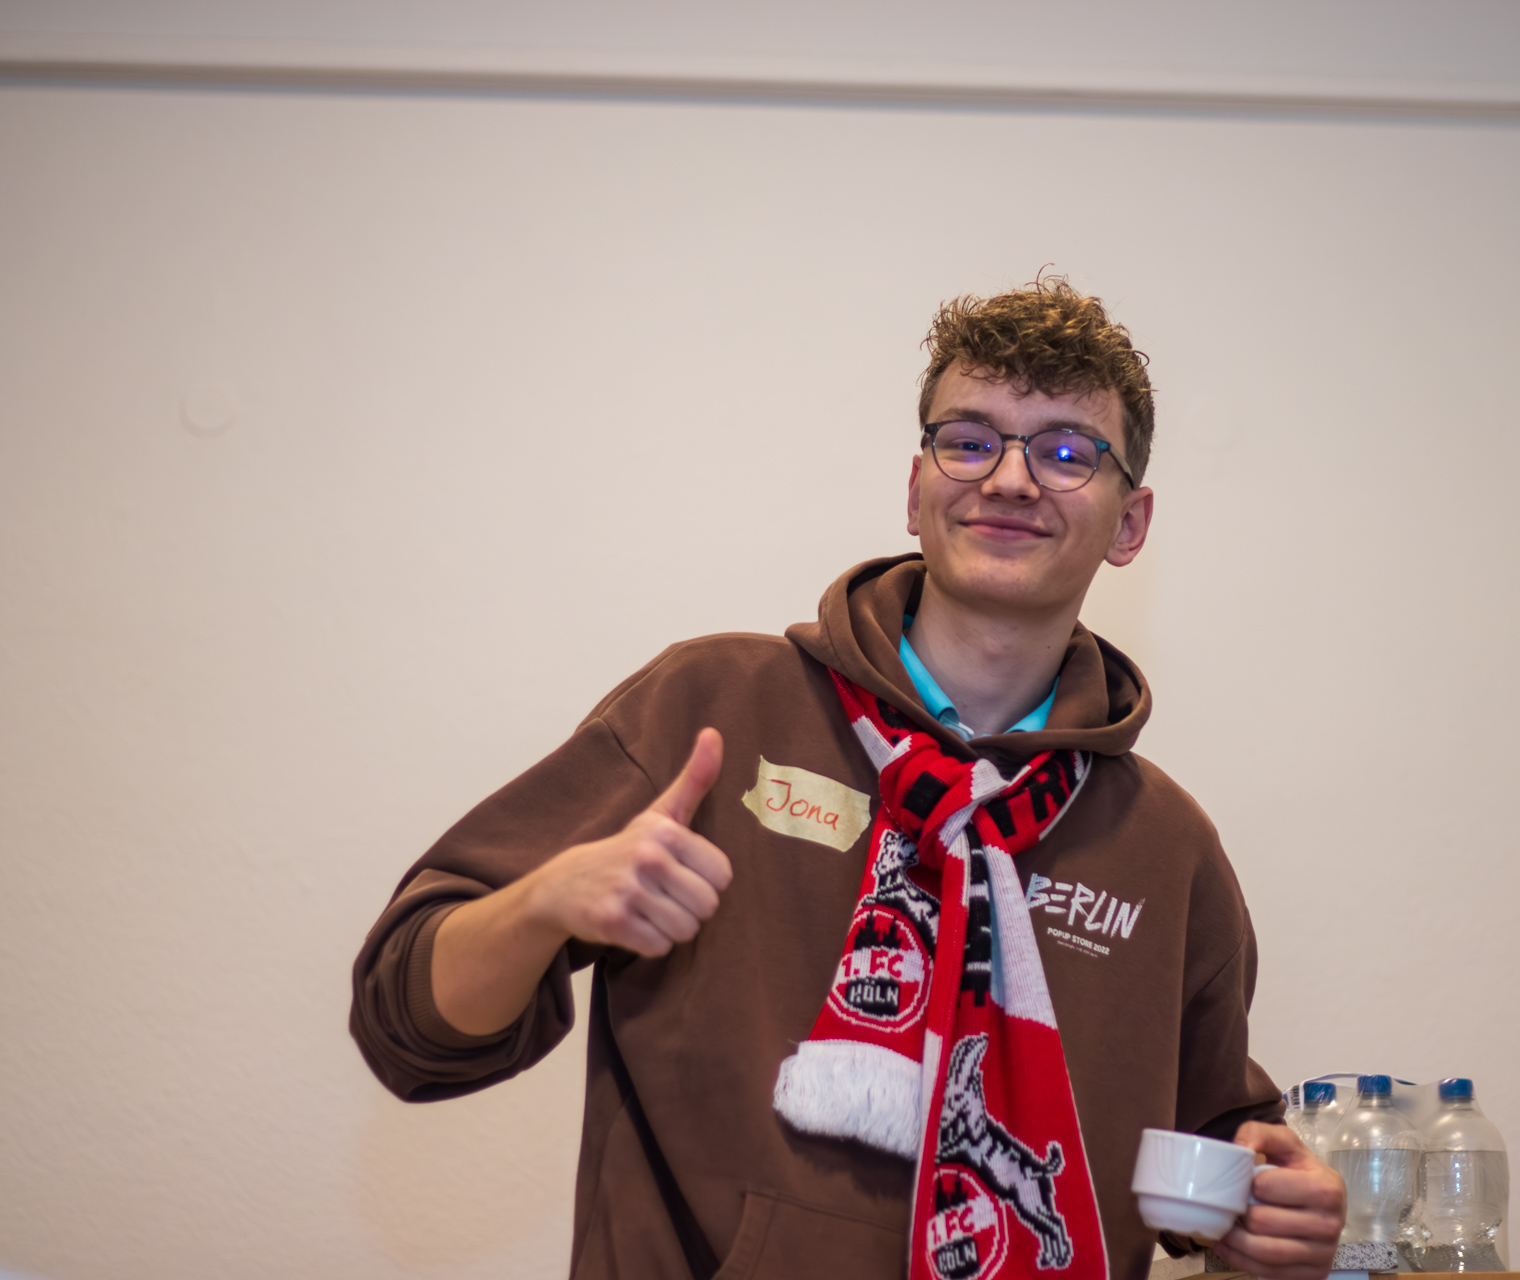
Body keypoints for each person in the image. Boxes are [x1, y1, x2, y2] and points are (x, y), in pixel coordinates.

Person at [350, 277, 1344, 1280]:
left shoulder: (1165, 846)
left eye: (1066, 452)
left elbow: (1221, 1146)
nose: (1009, 479)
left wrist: (1272, 1212)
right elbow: (406, 1021)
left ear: (1130, 523)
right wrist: (542, 903)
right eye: (970, 440)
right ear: (916, 489)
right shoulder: (715, 709)